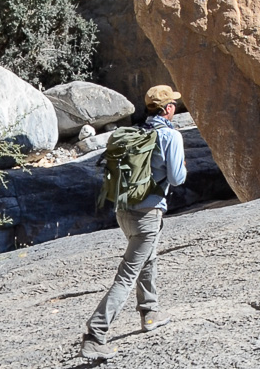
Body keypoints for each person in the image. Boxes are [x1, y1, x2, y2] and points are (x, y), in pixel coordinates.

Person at [84, 85, 187, 349]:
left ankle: (149, 312)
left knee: (147, 259)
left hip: (123, 212)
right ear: (169, 109)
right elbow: (176, 178)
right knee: (127, 275)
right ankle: (96, 334)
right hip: (147, 214)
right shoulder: (170, 137)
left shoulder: (137, 132)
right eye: (173, 103)